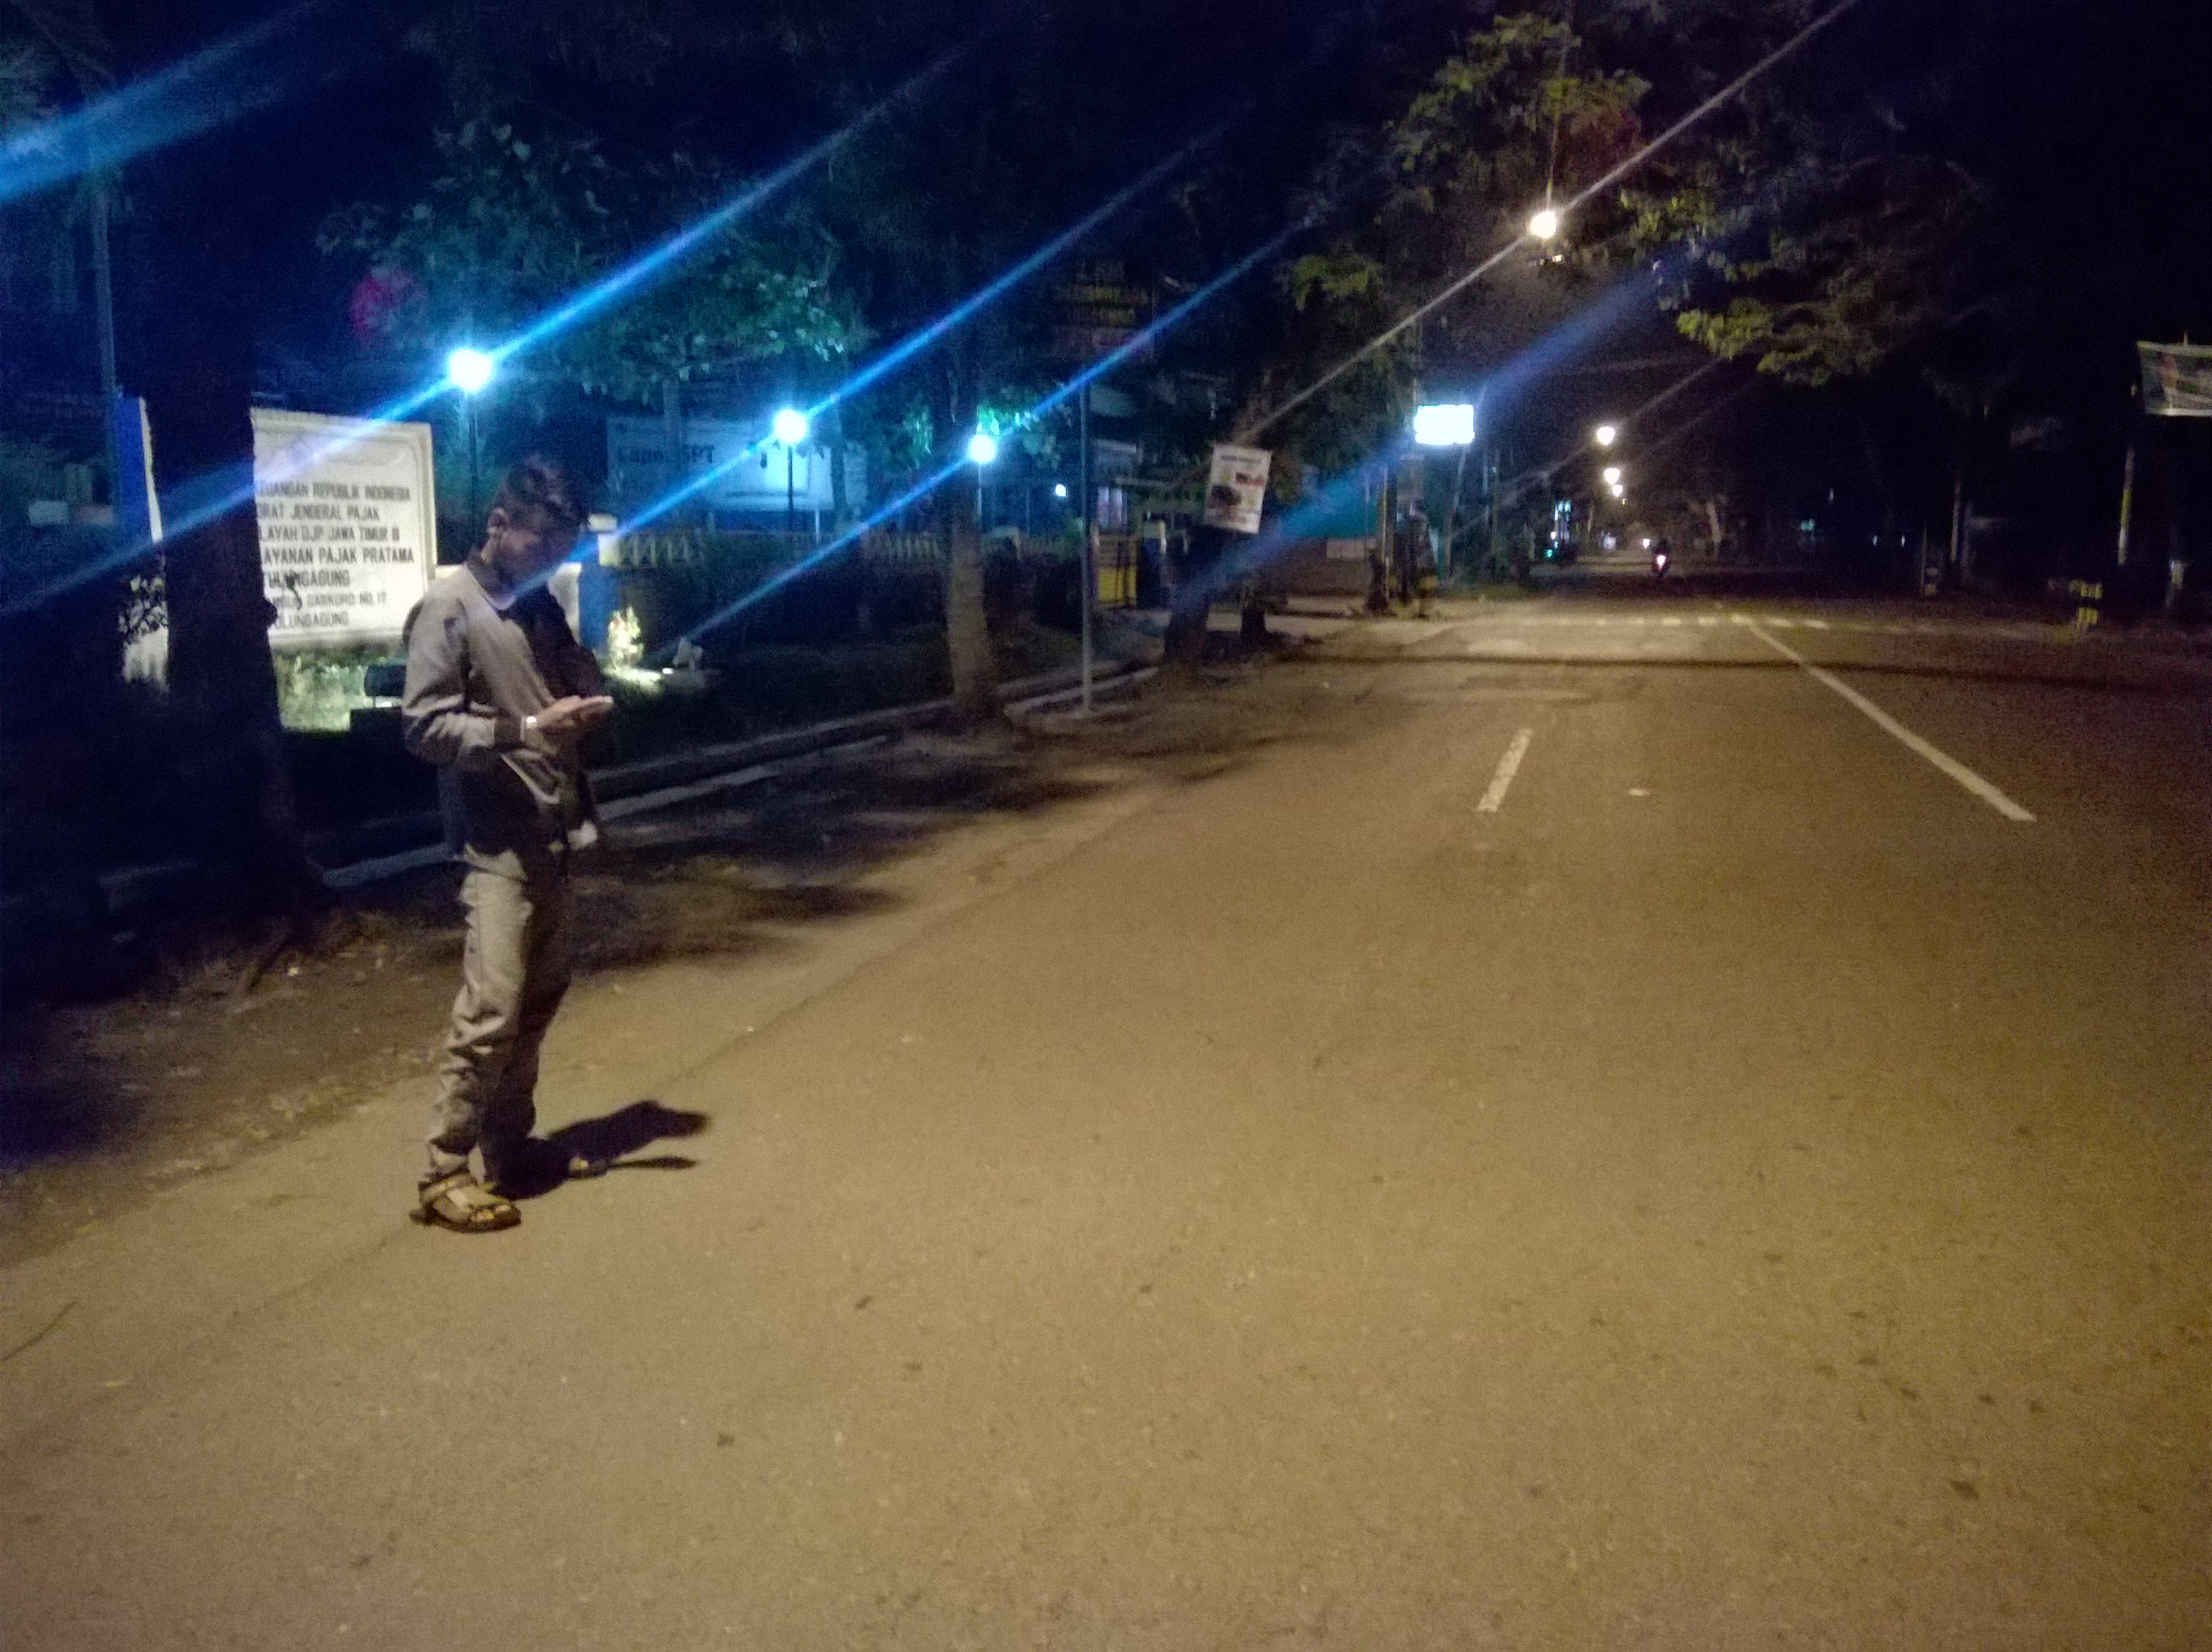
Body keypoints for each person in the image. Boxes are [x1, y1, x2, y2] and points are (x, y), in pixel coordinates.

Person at [400, 457, 614, 1233]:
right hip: (495, 845)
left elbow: (560, 687)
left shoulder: (536, 605)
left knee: (537, 1000)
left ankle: (510, 1147)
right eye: (543, 545)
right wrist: (522, 730)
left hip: (552, 832)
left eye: (563, 549)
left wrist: (580, 690)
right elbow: (423, 726)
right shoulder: (449, 607)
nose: (552, 561)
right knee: (491, 1009)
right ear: (499, 525)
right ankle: (443, 1171)